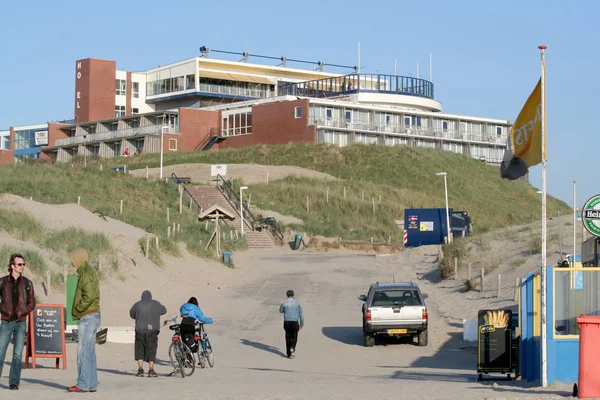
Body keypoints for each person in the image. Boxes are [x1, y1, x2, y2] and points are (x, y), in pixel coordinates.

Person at [67, 248, 101, 393]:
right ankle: (91, 383)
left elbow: (89, 296)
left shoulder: (86, 274)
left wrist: (77, 309)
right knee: (90, 351)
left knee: (83, 352)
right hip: (92, 315)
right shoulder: (88, 272)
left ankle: (83, 383)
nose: (72, 263)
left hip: (87, 316)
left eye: (73, 260)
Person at [0, 254, 35, 390]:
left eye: (23, 264)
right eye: (19, 264)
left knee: (17, 354)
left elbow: (32, 301)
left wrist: (24, 311)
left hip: (21, 322)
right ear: (12, 266)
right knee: (0, 352)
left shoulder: (27, 283)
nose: (22, 267)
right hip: (6, 322)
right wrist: (3, 310)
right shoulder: (2, 282)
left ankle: (14, 382)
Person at [129, 290, 166, 377]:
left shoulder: (137, 304)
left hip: (140, 330)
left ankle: (140, 369)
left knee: (139, 349)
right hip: (152, 330)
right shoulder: (156, 303)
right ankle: (151, 369)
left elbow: (131, 314)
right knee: (152, 349)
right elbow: (164, 310)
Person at [279, 290, 304, 359]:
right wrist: (302, 323)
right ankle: (292, 347)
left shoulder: (284, 302)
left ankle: (288, 353)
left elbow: (280, 311)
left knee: (287, 337)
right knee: (294, 337)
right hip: (295, 322)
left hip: (287, 322)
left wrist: (284, 309)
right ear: (293, 295)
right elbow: (301, 314)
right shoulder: (297, 303)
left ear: (287, 295)